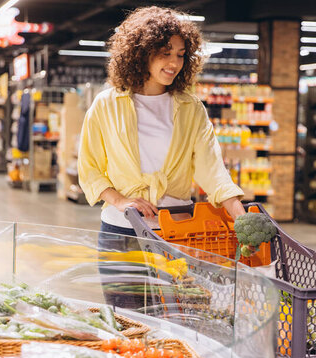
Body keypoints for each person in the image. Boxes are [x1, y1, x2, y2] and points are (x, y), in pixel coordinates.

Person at [78, 6, 246, 246]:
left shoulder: (191, 108)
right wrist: (120, 201)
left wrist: (239, 213)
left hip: (178, 233)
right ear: (142, 53)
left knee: (178, 287)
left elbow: (212, 168)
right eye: (165, 53)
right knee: (121, 286)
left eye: (180, 54)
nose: (174, 63)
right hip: (120, 231)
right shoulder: (107, 105)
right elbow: (89, 167)